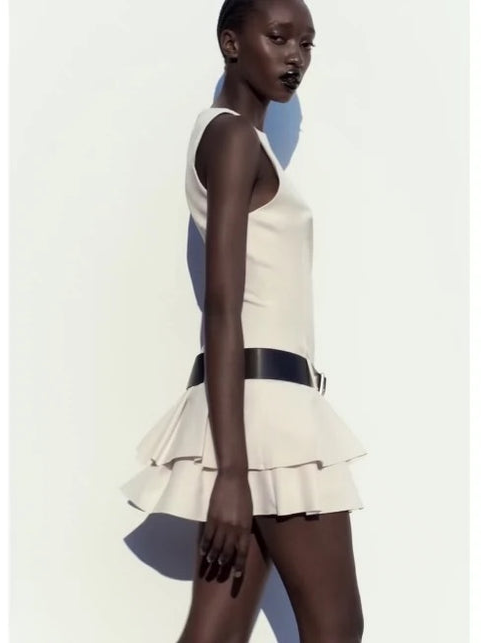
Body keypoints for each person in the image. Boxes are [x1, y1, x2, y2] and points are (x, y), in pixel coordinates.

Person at [120, 0, 369, 640]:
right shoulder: (232, 138)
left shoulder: (234, 138)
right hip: (267, 417)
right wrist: (232, 474)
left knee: (217, 634)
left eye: (307, 43)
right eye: (279, 37)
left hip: (253, 409)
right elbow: (223, 306)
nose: (295, 57)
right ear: (232, 43)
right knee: (337, 627)